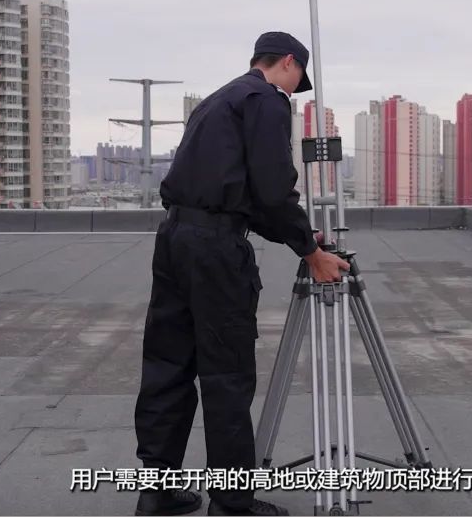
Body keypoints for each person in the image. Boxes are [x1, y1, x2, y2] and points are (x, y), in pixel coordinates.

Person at [132, 32, 350, 517]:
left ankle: (157, 491)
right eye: (297, 81)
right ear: (288, 63)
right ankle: (231, 503)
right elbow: (272, 191)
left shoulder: (216, 100)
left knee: (167, 366)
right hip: (215, 251)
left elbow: (237, 191)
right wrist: (309, 250)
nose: (294, 91)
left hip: (175, 239)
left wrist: (298, 236)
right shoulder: (266, 100)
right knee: (226, 372)